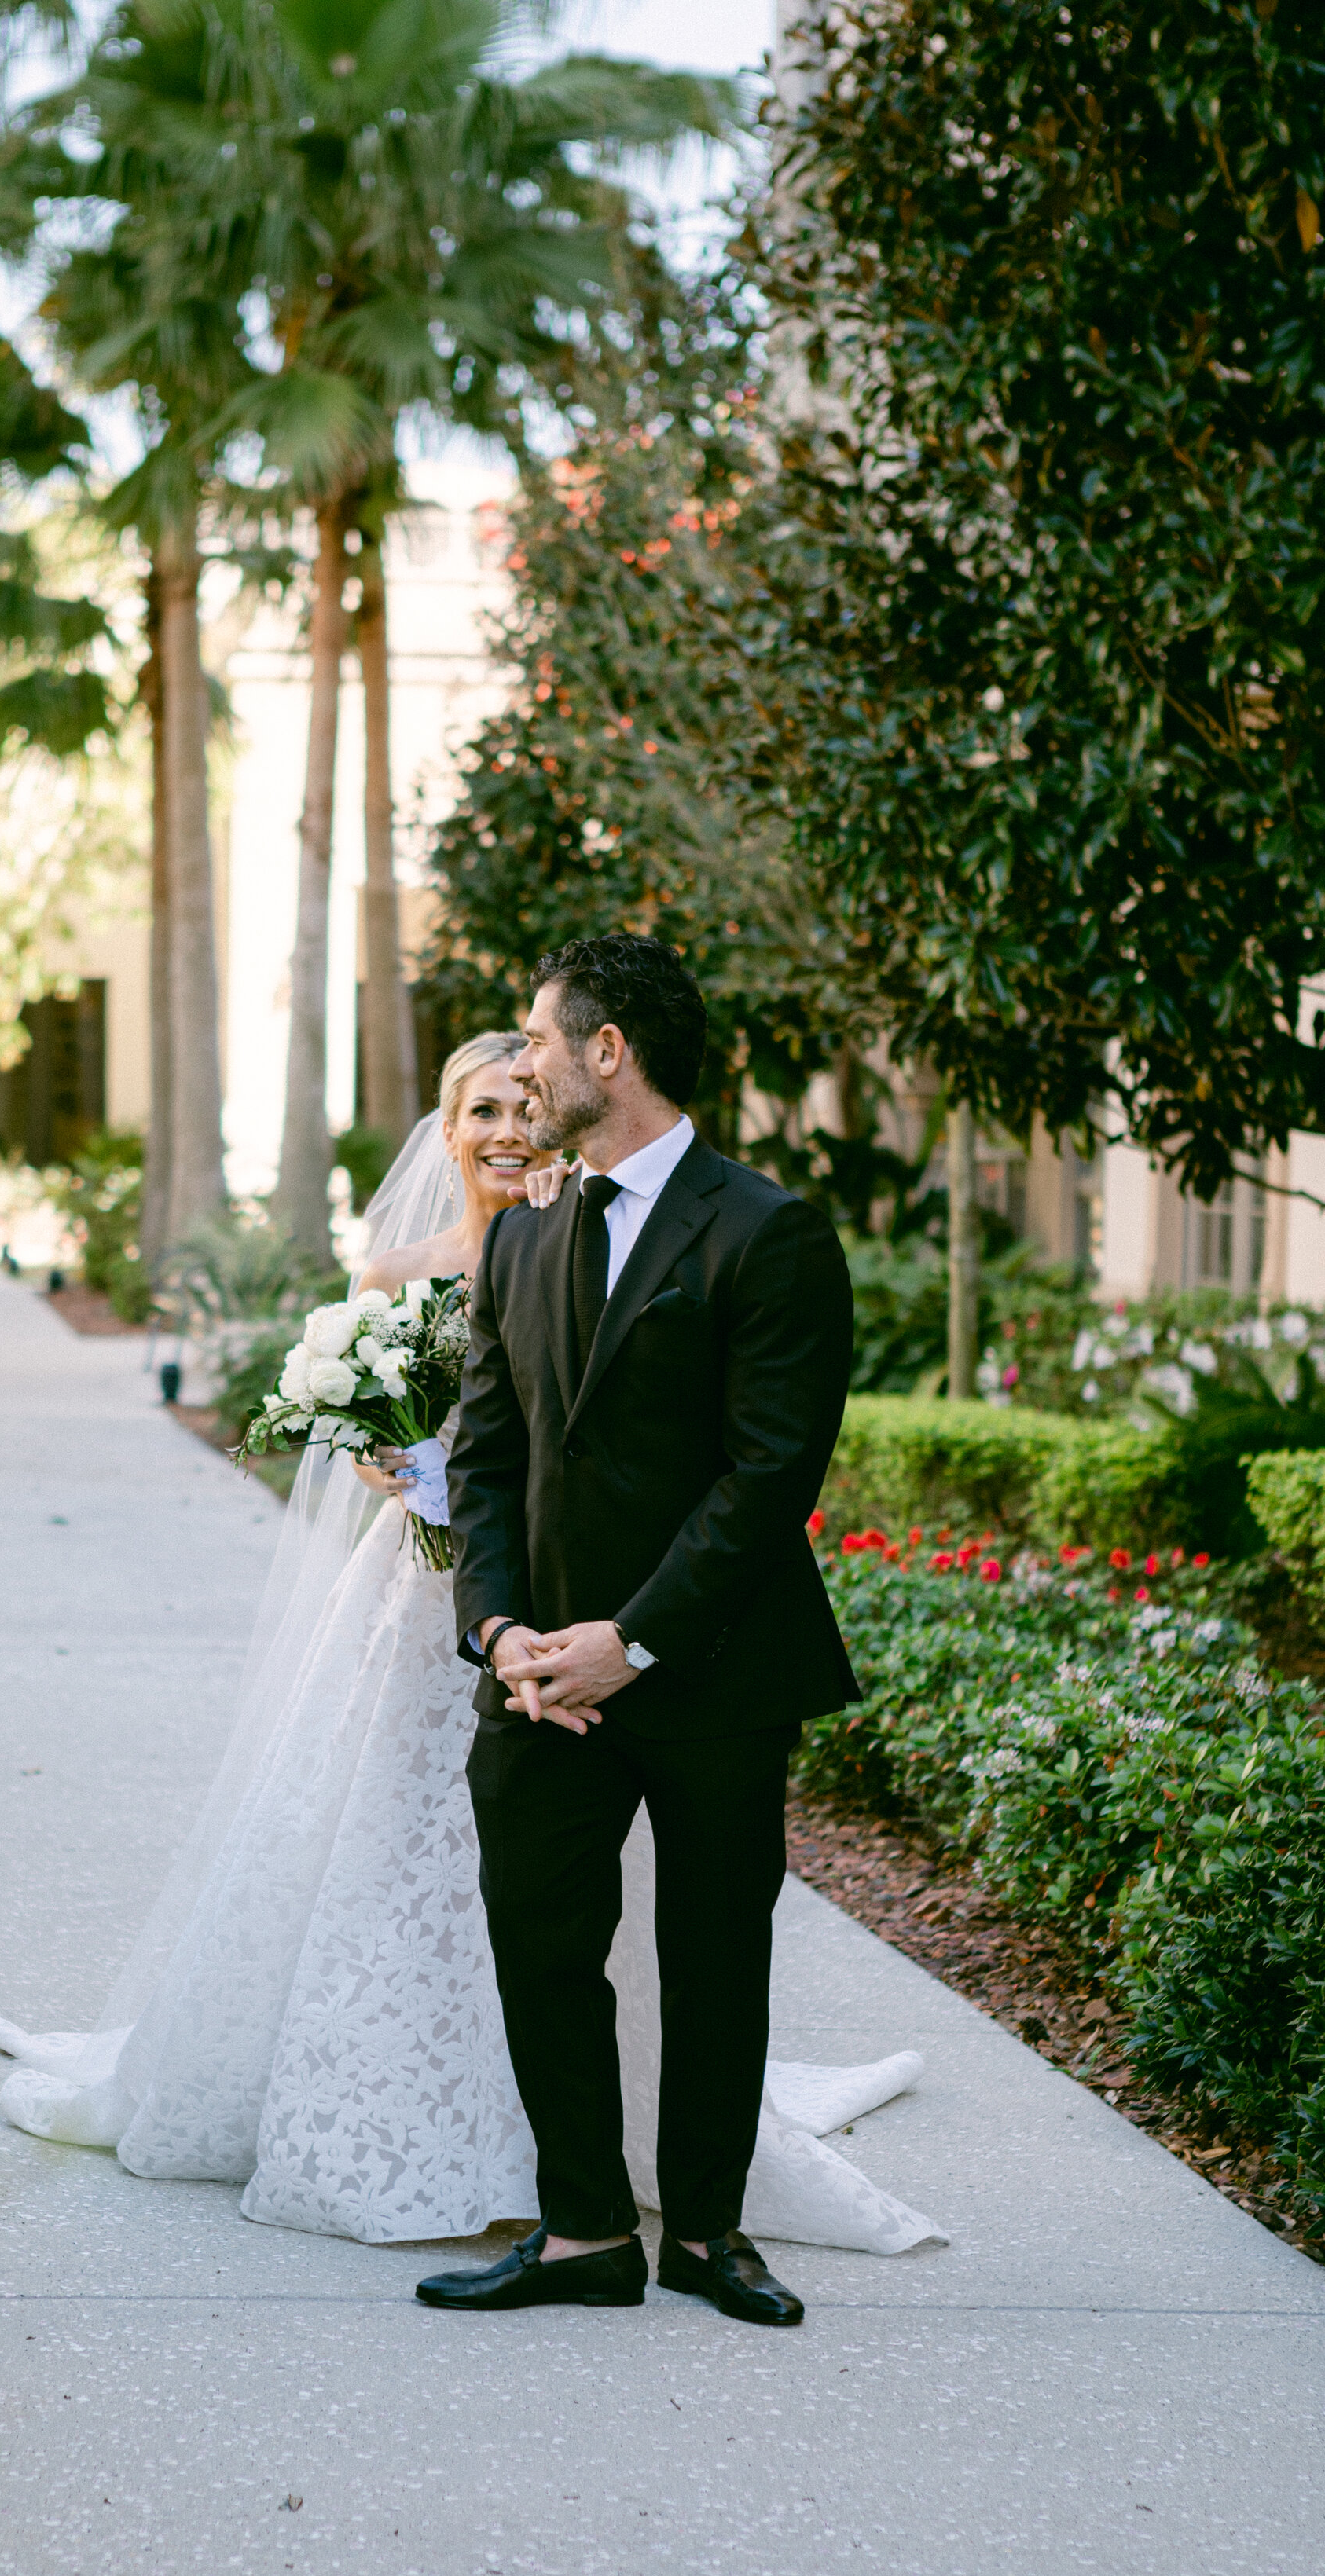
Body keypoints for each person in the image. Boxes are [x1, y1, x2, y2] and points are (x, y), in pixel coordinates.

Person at [0, 1028, 940, 2265]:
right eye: (476, 1109)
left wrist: (600, 1626)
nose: (500, 1129)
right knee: (436, 1884)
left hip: (595, 1625)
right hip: (444, 1602)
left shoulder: (598, 1226)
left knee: (633, 1923)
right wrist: (406, 1487)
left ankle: (652, 2185)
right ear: (447, 1131)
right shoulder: (405, 1270)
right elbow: (423, 1439)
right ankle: (523, 2176)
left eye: (516, 1101)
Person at [418, 933, 863, 2328]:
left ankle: (711, 2234)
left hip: (715, 1671)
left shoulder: (767, 1229)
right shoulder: (530, 1228)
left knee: (717, 1954)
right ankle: (585, 2232)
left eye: (539, 1041)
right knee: (541, 1940)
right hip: (543, 1680)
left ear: (608, 1052)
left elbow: (769, 1476)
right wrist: (498, 1629)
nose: (524, 1065)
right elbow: (485, 1456)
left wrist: (638, 1637)